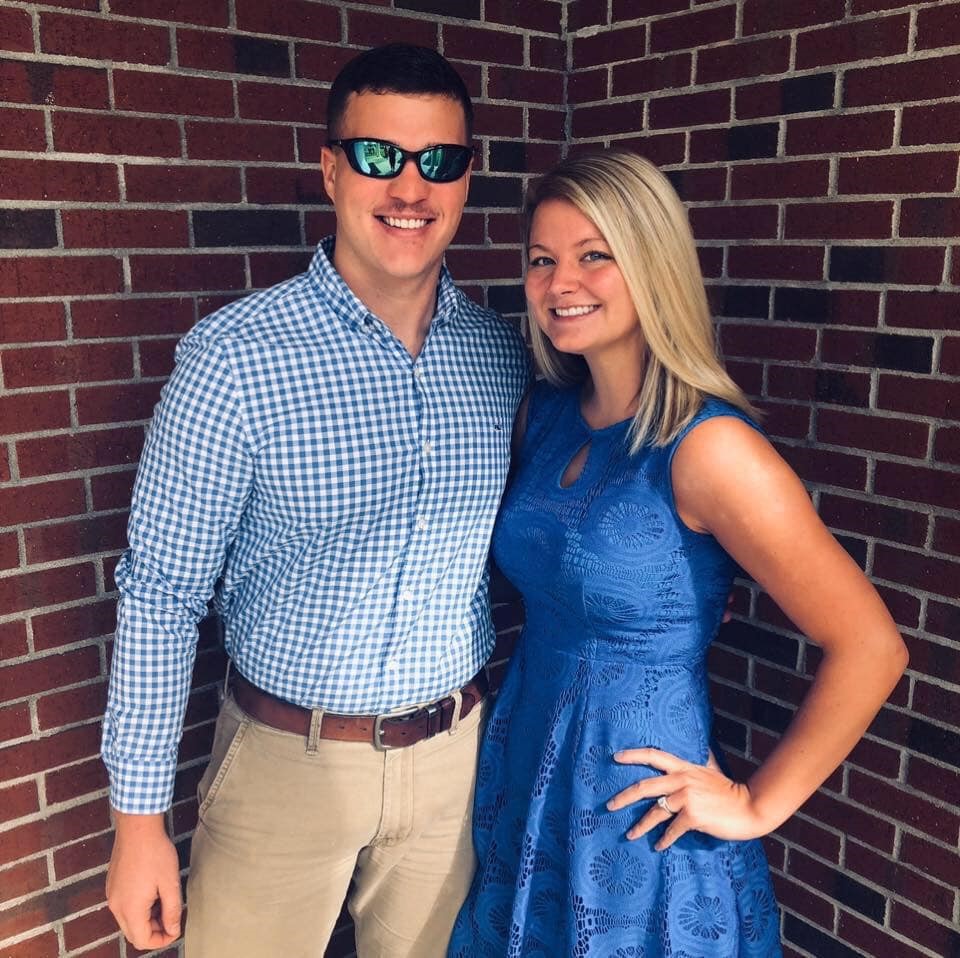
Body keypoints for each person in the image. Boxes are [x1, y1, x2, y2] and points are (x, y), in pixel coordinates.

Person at [101, 44, 529, 958]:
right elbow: (162, 592)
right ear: (331, 168)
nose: (409, 187)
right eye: (378, 156)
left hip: (452, 762)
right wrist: (138, 823)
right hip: (284, 765)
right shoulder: (235, 359)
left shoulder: (500, 356)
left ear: (465, 177)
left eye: (438, 159)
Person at [448, 150, 908, 956]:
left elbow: (871, 646)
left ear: (652, 266)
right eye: (541, 260)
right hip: (528, 766)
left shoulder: (710, 448)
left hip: (637, 803)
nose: (560, 283)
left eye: (594, 255)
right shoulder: (545, 415)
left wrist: (758, 804)